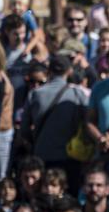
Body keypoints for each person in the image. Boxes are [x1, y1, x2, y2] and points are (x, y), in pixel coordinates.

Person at [22, 54, 90, 192]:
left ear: (49, 71)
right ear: (69, 71)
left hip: (42, 155)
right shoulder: (78, 94)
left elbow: (24, 130)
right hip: (70, 156)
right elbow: (88, 124)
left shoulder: (35, 94)